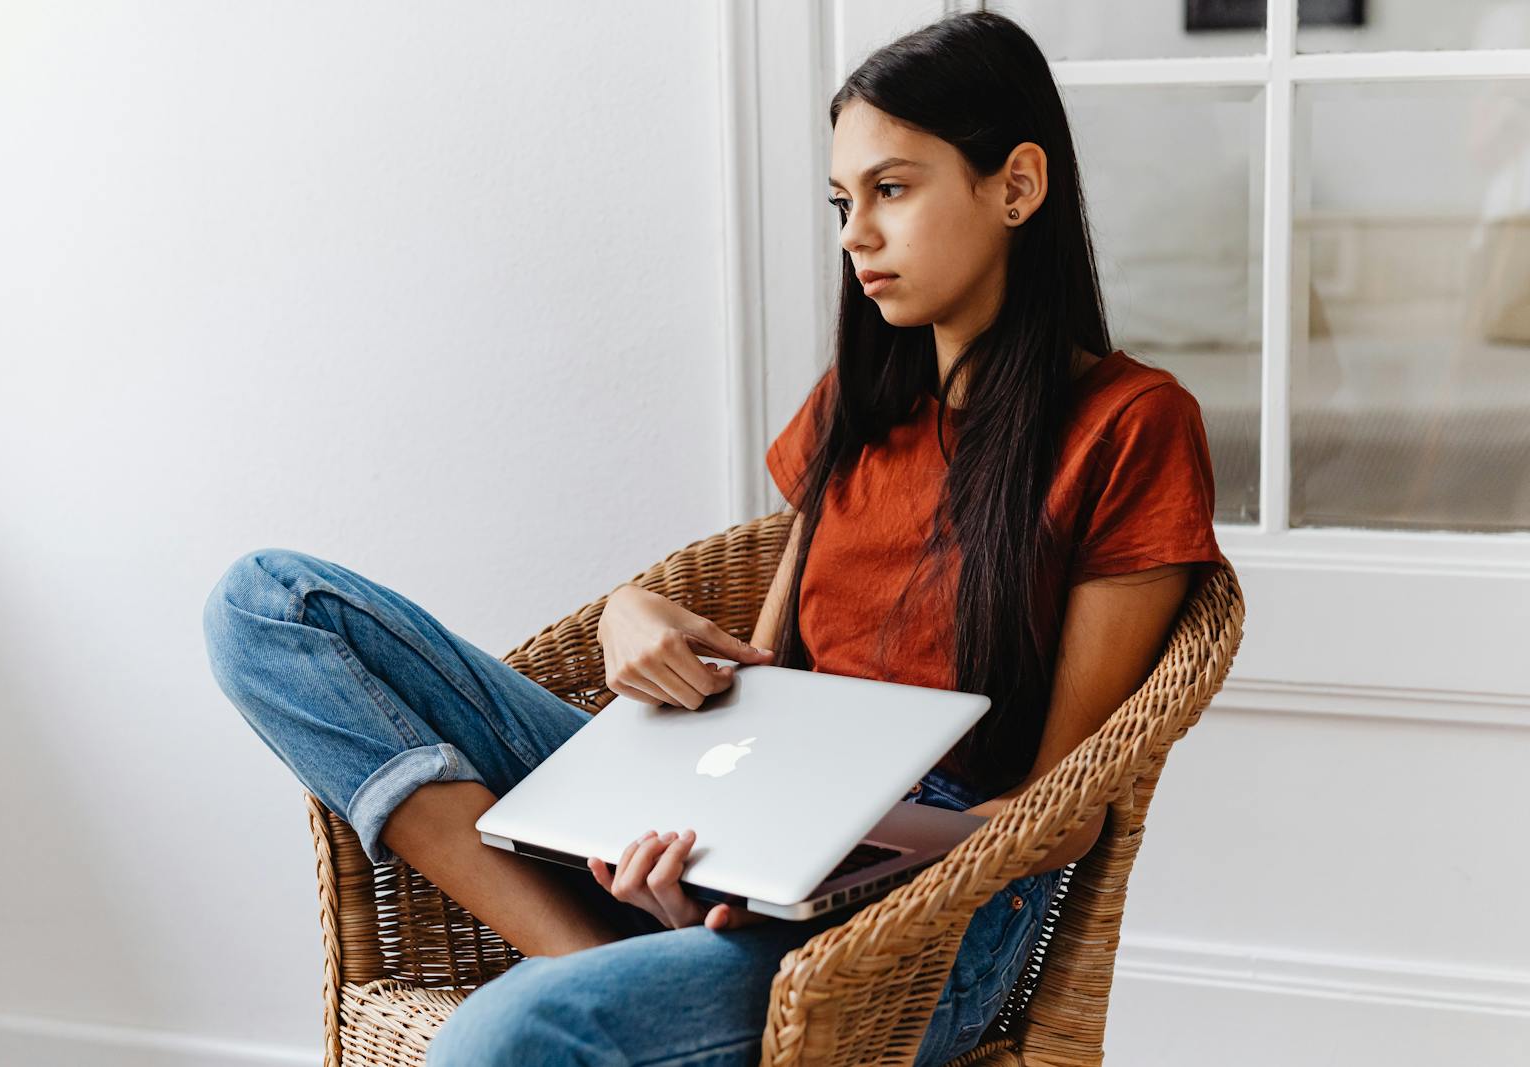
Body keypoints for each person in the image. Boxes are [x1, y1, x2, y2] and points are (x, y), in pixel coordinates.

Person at [202, 10, 1228, 1066]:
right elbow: (769, 675)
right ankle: (586, 945)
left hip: (930, 919)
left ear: (1014, 185)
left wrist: (825, 860)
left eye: (891, 188)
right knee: (268, 604)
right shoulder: (857, 409)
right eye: (841, 201)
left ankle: (593, 969)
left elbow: (1056, 813)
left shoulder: (1130, 425)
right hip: (759, 813)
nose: (854, 236)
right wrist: (631, 621)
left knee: (502, 1038)